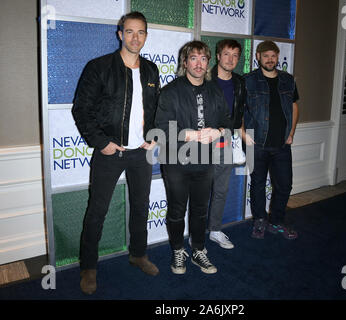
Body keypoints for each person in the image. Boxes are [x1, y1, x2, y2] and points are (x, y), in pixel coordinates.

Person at [72, 11, 160, 295]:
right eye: (130, 31)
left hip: (141, 153)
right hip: (110, 152)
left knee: (140, 206)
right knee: (97, 211)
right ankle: (88, 267)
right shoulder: (99, 67)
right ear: (120, 33)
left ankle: (138, 254)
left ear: (146, 36)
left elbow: (156, 109)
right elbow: (81, 109)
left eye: (141, 32)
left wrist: (154, 136)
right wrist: (101, 141)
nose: (136, 37)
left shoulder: (151, 70)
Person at [155, 41, 230, 274]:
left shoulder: (215, 91)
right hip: (176, 161)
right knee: (177, 210)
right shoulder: (169, 91)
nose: (199, 64)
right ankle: (178, 250)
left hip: (204, 161)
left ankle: (198, 249)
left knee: (199, 210)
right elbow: (159, 129)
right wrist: (190, 134)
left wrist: (217, 132)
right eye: (194, 58)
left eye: (203, 59)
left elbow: (227, 126)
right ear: (184, 62)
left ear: (208, 62)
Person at [243, 40, 299, 240]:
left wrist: (291, 132)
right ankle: (259, 220)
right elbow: (237, 110)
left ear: (277, 57)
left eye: (273, 55)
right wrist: (243, 133)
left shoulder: (288, 80)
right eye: (265, 55)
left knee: (285, 185)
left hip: (282, 144)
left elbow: (293, 107)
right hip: (255, 144)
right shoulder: (247, 80)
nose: (269, 59)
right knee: (257, 184)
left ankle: (276, 221)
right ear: (258, 57)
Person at [207, 39, 246, 249]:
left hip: (227, 141)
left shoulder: (240, 82)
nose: (230, 59)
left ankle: (214, 230)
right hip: (203, 141)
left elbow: (239, 113)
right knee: (199, 189)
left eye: (235, 56)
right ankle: (194, 231)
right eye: (226, 54)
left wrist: (241, 137)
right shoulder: (204, 78)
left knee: (221, 189)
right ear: (218, 55)